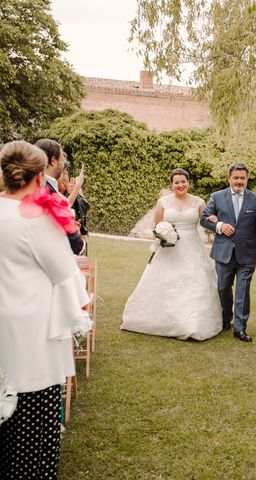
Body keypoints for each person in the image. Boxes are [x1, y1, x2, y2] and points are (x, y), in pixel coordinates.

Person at [0, 141, 90, 478]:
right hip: (30, 336)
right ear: (40, 177)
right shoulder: (36, 219)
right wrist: (80, 309)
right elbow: (65, 272)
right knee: (29, 440)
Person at [122, 169, 224, 340]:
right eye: (176, 182)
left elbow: (205, 221)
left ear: (188, 182)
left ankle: (193, 323)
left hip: (193, 249)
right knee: (167, 283)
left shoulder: (198, 202)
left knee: (194, 282)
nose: (180, 185)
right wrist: (162, 234)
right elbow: (156, 225)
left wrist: (213, 219)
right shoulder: (163, 202)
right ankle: (163, 321)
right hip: (169, 250)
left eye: (183, 181)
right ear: (172, 184)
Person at [200, 163, 256, 342]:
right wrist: (220, 226)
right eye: (236, 178)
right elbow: (203, 219)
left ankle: (240, 328)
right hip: (223, 252)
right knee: (223, 288)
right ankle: (225, 319)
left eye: (242, 178)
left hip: (247, 254)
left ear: (247, 179)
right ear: (229, 179)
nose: (239, 181)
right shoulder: (217, 197)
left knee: (243, 290)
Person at [34, 138, 85, 255]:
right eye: (62, 159)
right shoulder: (47, 193)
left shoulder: (29, 185)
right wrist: (74, 229)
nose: (63, 165)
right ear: (53, 161)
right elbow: (76, 246)